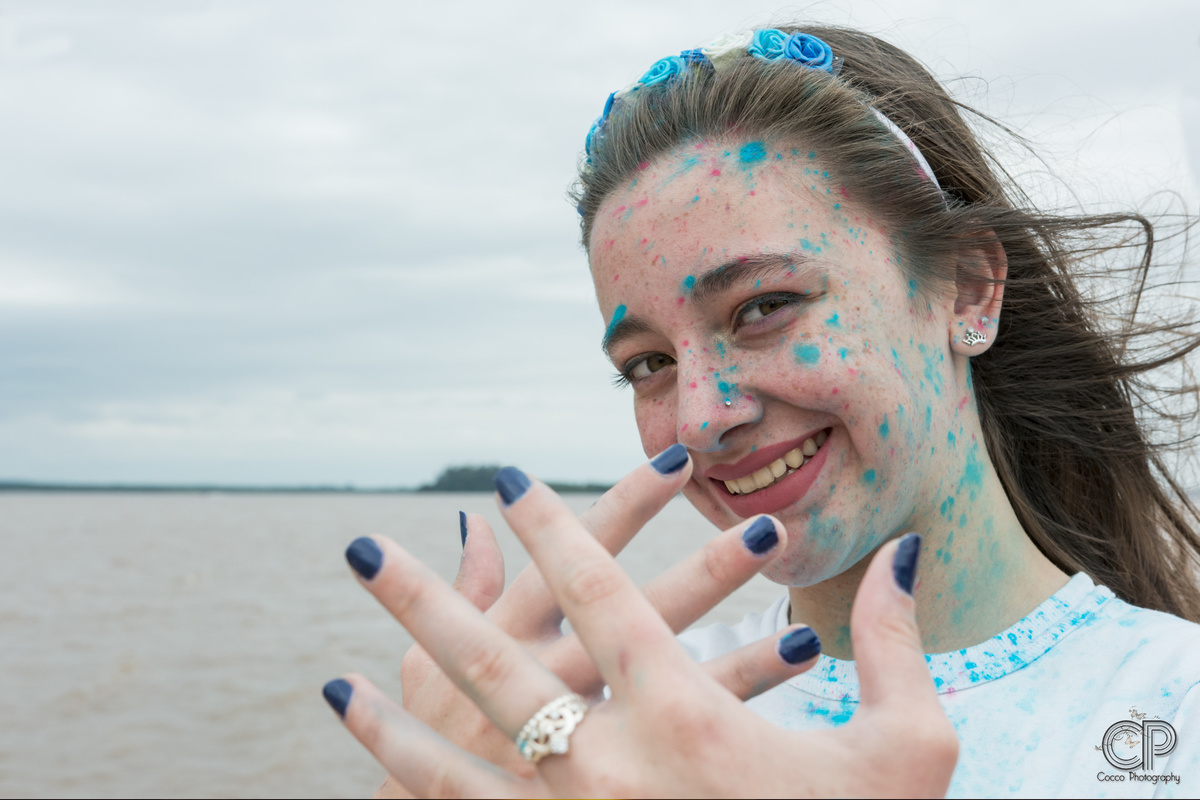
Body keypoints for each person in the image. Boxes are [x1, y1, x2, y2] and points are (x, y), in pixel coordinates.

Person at [324, 24, 1200, 798]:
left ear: (967, 289)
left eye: (762, 306)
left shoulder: (1171, 711)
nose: (701, 418)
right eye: (650, 364)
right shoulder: (599, 739)